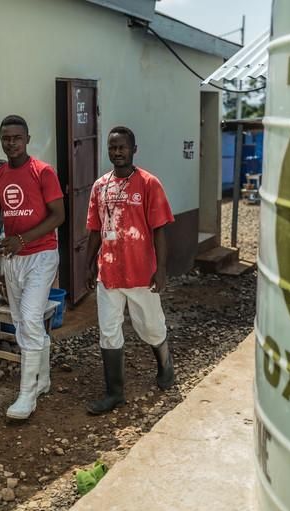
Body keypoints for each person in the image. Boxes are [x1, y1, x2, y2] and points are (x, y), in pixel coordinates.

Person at [0, 115, 65, 420]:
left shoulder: (43, 172)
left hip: (41, 254)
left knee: (29, 316)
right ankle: (42, 380)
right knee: (22, 320)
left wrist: (21, 239)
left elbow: (58, 216)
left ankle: (26, 396)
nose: (11, 143)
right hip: (12, 259)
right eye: (5, 138)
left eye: (16, 137)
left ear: (27, 139)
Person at [85, 126, 175, 415]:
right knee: (109, 332)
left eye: (122, 147)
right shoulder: (100, 186)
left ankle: (164, 363)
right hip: (109, 274)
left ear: (134, 149)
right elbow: (95, 230)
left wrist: (160, 270)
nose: (117, 152)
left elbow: (159, 230)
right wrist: (88, 265)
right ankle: (114, 392)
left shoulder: (149, 183)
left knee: (150, 326)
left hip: (141, 273)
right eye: (113, 148)